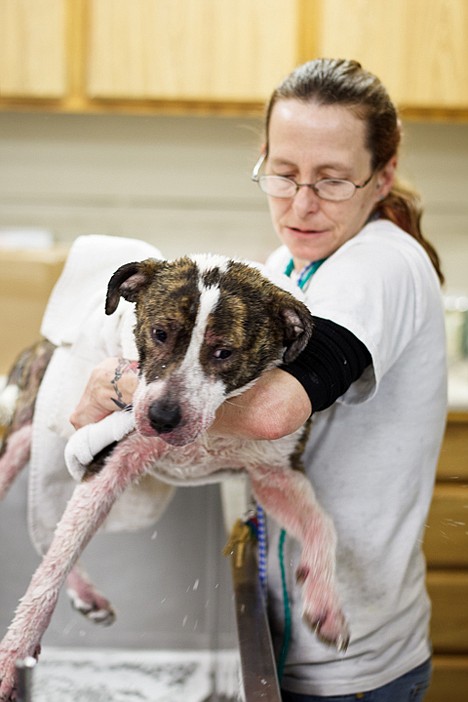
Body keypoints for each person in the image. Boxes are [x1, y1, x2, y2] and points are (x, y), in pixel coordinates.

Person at [70, 59, 447, 701]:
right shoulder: (288, 263)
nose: (300, 204)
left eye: (331, 181)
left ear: (381, 177)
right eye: (283, 173)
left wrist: (118, 384)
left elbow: (272, 413)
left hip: (352, 660)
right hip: (295, 619)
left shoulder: (380, 263)